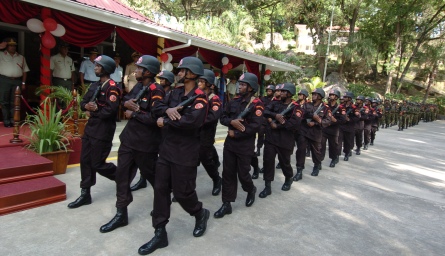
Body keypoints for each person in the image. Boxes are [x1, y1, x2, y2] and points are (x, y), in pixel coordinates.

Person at [138, 57, 210, 255]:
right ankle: (159, 232)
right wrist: (168, 111)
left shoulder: (201, 98)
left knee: (182, 193)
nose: (179, 73)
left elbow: (190, 122)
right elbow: (158, 107)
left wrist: (167, 121)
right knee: (160, 189)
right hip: (167, 149)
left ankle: (199, 212)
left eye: (183, 70)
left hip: (186, 153)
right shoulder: (174, 93)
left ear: (193, 74)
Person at [100, 55, 164, 233]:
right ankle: (121, 214)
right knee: (122, 177)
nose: (135, 71)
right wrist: (126, 103)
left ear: (148, 72)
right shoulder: (139, 86)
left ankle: (162, 207)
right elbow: (125, 100)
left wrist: (135, 113)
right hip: (129, 141)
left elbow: (155, 118)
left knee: (156, 180)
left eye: (139, 68)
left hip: (146, 145)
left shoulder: (157, 91)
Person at [67, 55, 121, 209]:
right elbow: (83, 103)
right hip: (91, 129)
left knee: (97, 163)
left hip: (103, 131)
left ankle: (121, 177)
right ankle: (85, 193)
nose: (95, 68)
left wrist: (95, 110)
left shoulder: (113, 87)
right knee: (85, 161)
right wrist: (87, 107)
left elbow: (110, 111)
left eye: (98, 66)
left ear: (105, 68)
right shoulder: (94, 85)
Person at [214, 72, 264, 218]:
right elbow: (223, 117)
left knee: (243, 174)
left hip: (244, 145)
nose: (239, 86)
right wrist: (231, 122)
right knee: (228, 173)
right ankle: (226, 203)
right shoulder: (234, 101)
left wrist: (236, 133)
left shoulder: (257, 104)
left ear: (250, 87)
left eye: (242, 84)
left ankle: (250, 189)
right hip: (230, 145)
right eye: (239, 84)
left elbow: (256, 126)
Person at [130, 69, 176, 192]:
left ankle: (171, 185)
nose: (161, 81)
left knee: (165, 159)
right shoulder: (154, 90)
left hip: (166, 129)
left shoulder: (173, 94)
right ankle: (143, 179)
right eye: (160, 78)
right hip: (154, 129)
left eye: (163, 79)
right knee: (148, 158)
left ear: (169, 81)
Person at [259, 83, 302, 198]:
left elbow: (295, 123)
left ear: (289, 93)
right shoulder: (275, 103)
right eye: (280, 91)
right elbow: (265, 111)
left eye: (283, 91)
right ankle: (267, 186)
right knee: (268, 161)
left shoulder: (296, 107)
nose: (280, 93)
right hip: (271, 138)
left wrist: (278, 126)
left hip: (285, 140)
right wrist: (275, 116)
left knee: (284, 162)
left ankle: (288, 178)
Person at [294, 88, 330, 179]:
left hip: (316, 132)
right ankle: (299, 170)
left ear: (320, 96)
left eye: (315, 94)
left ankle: (317, 166)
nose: (313, 95)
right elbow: (301, 114)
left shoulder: (325, 108)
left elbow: (328, 121)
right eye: (313, 94)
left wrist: (317, 122)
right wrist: (310, 117)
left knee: (316, 151)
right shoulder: (306, 105)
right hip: (304, 130)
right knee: (301, 150)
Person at [197, 69, 223, 196]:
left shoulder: (215, 98)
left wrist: (195, 121)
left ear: (210, 84)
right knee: (189, 161)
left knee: (206, 160)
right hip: (193, 133)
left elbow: (213, 117)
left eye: (202, 81)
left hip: (206, 134)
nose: (199, 83)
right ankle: (186, 189)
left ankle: (217, 179)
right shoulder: (196, 95)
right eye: (199, 81)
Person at [0, 38, 29, 128]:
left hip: (17, 80)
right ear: (7, 46)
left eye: (14, 46)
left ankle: (14, 120)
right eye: (10, 45)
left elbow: (25, 71)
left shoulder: (21, 57)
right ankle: (6, 120)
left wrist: (23, 83)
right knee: (4, 101)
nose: (13, 47)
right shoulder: (1, 54)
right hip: (4, 80)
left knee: (15, 102)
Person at [320, 89, 345, 168]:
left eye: (333, 95)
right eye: (330, 95)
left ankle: (334, 159)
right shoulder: (325, 106)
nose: (331, 96)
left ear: (336, 97)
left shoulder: (340, 108)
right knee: (321, 146)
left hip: (334, 130)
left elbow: (343, 120)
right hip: (324, 129)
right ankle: (319, 161)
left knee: (333, 146)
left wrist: (336, 120)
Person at [256, 85, 275, 156]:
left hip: (270, 122)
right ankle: (258, 149)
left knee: (269, 138)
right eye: (267, 91)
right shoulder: (263, 99)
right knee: (260, 135)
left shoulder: (275, 100)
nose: (268, 92)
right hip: (263, 120)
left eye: (270, 91)